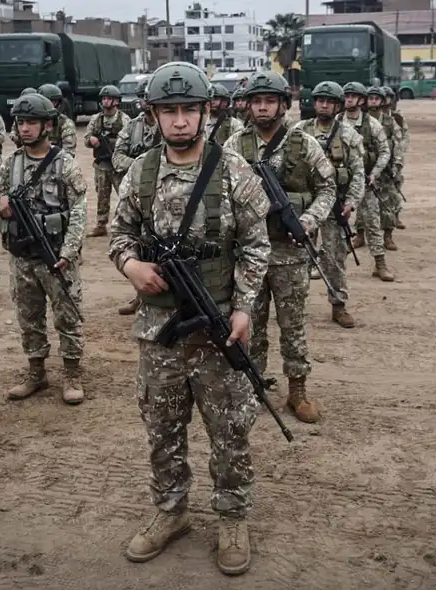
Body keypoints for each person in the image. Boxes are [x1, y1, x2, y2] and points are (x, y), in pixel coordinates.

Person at [108, 61, 271, 576]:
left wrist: (244, 308)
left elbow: (256, 246)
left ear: (206, 112)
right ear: (153, 116)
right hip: (160, 333)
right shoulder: (141, 172)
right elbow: (119, 233)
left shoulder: (234, 171)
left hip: (219, 328)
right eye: (169, 111)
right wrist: (131, 266)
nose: (179, 121)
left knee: (230, 430)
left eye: (189, 110)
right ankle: (171, 510)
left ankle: (232, 517)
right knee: (162, 427)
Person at [224, 71, 336, 423]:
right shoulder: (234, 145)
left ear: (284, 105)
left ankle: (297, 391)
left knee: (292, 325)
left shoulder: (304, 144)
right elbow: (219, 192)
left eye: (269, 101)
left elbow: (328, 189)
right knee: (249, 324)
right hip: (247, 256)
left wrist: (309, 220)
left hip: (290, 254)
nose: (262, 107)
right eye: (256, 101)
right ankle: (253, 384)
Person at [0, 94, 88, 404]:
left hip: (56, 256)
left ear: (47, 125)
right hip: (22, 257)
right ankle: (36, 372)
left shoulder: (65, 163)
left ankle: (72, 373)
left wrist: (68, 253)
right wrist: (1, 204)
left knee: (67, 316)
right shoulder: (11, 163)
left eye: (31, 122)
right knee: (28, 316)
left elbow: (79, 211)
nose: (24, 128)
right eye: (21, 122)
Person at [291, 80, 365, 329]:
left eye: (329, 102)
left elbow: (358, 173)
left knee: (334, 259)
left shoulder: (348, 135)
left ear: (338, 106)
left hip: (335, 205)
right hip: (304, 204)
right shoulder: (299, 131)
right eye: (320, 100)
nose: (324, 105)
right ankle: (295, 306)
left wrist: (351, 202)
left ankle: (339, 305)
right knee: (299, 256)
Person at [112, 78, 160, 317]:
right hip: (139, 193)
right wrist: (142, 166)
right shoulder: (132, 127)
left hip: (166, 192)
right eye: (142, 97)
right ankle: (141, 295)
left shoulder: (169, 123)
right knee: (137, 247)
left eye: (148, 97)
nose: (144, 101)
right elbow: (117, 157)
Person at [338, 81, 395, 281]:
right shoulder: (337, 121)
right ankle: (324, 264)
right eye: (346, 96)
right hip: (340, 182)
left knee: (372, 222)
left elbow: (385, 151)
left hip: (364, 182)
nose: (349, 99)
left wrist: (375, 173)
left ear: (361, 100)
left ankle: (380, 264)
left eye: (353, 96)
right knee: (332, 225)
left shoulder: (372, 124)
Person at [84, 84, 129, 237]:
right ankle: (101, 224)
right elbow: (86, 139)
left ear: (116, 101)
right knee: (102, 195)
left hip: (118, 165)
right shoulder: (96, 119)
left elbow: (130, 141)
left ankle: (127, 224)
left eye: (109, 98)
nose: (105, 101)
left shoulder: (124, 119)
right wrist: (92, 140)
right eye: (103, 98)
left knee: (125, 194)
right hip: (102, 164)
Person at [364, 86, 402, 251]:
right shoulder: (362, 120)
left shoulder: (389, 122)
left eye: (376, 98)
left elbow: (398, 144)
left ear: (381, 101)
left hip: (385, 170)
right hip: (366, 170)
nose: (373, 101)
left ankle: (388, 236)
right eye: (370, 98)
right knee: (363, 206)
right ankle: (360, 235)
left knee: (388, 204)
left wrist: (396, 166)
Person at [382, 86, 409, 230]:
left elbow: (404, 137)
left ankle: (396, 217)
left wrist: (398, 156)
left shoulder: (396, 117)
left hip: (394, 158)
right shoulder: (372, 117)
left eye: (388, 97)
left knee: (395, 189)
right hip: (378, 159)